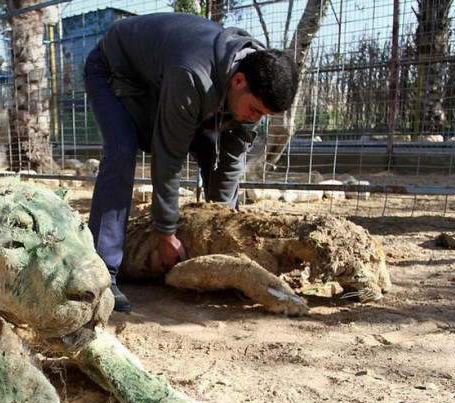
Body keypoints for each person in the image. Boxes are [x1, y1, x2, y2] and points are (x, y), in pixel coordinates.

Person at [83, 12, 299, 313]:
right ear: (238, 81)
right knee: (122, 151)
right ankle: (103, 274)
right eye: (254, 110)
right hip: (115, 71)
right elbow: (168, 155)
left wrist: (223, 230)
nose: (255, 120)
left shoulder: (255, 80)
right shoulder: (193, 75)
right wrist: (166, 232)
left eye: (262, 115)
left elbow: (229, 163)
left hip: (161, 78)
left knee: (212, 146)